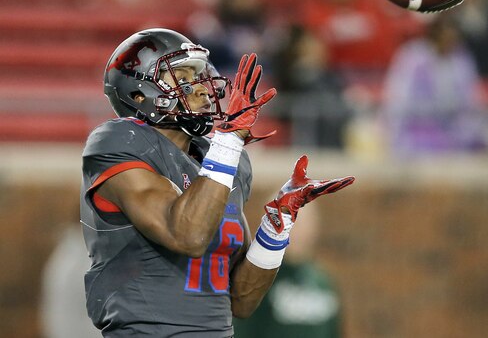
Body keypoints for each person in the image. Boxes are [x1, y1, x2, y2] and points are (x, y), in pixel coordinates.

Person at [80, 28, 354, 337]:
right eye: (182, 79)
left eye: (198, 76)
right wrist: (228, 142)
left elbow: (241, 301)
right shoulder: (120, 142)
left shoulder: (219, 159)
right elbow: (188, 236)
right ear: (139, 93)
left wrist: (275, 230)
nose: (200, 88)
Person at [381, 14, 485, 155]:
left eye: (453, 40)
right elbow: (398, 100)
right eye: (446, 39)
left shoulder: (461, 61)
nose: (449, 44)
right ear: (435, 36)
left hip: (453, 131)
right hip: (416, 130)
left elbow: (471, 100)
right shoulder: (413, 58)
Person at [233, 205, 342, 338]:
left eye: (304, 223)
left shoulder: (323, 281)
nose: (299, 231)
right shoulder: (259, 280)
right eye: (291, 223)